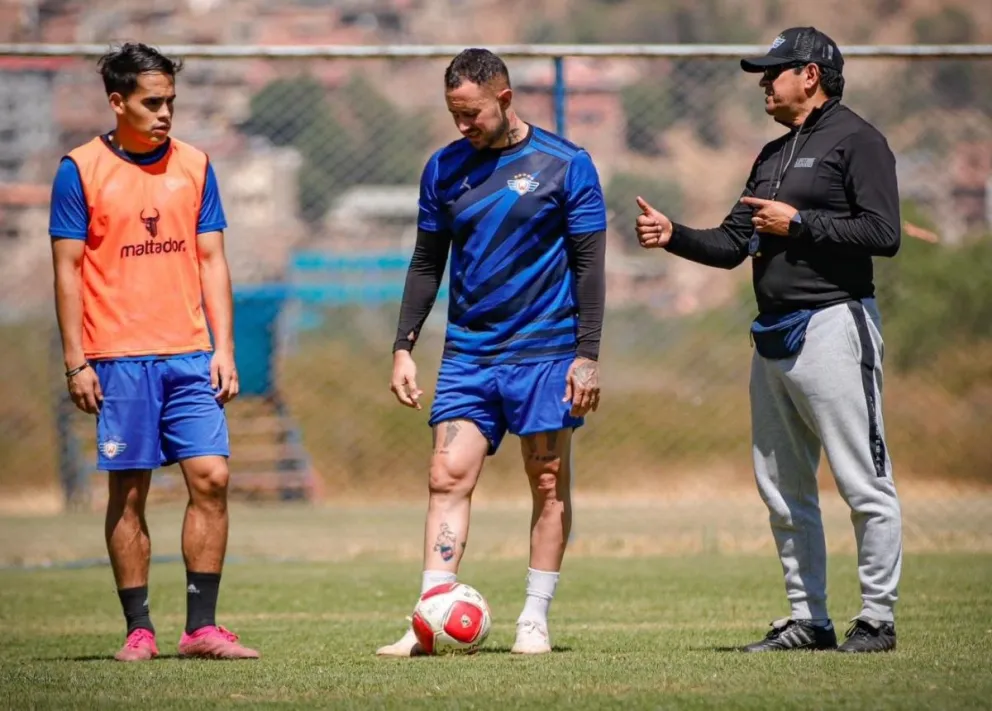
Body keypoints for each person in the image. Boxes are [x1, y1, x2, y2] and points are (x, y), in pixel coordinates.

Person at [635, 27, 903, 653]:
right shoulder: (771, 154)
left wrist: (801, 223)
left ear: (811, 75)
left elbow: (884, 232)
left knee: (863, 481)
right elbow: (733, 245)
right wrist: (673, 234)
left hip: (835, 326)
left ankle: (877, 620)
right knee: (783, 490)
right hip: (772, 337)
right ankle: (809, 619)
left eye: (774, 71)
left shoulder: (859, 140)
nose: (764, 81)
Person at [377, 48, 608, 656]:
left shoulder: (568, 165)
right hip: (469, 354)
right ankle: (429, 619)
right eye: (454, 113)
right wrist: (403, 347)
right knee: (445, 475)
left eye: (472, 113)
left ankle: (534, 618)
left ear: (504, 99)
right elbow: (427, 263)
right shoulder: (443, 168)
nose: (462, 125)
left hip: (546, 353)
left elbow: (589, 267)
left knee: (548, 480)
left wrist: (587, 354)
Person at [49, 42, 258, 661]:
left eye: (170, 101)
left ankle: (201, 629)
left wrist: (225, 348)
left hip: (190, 353)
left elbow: (213, 260)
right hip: (117, 357)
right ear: (118, 103)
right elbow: (67, 271)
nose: (165, 113)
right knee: (130, 492)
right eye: (152, 102)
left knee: (212, 477)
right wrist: (75, 360)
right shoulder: (79, 169)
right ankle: (139, 629)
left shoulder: (196, 164)